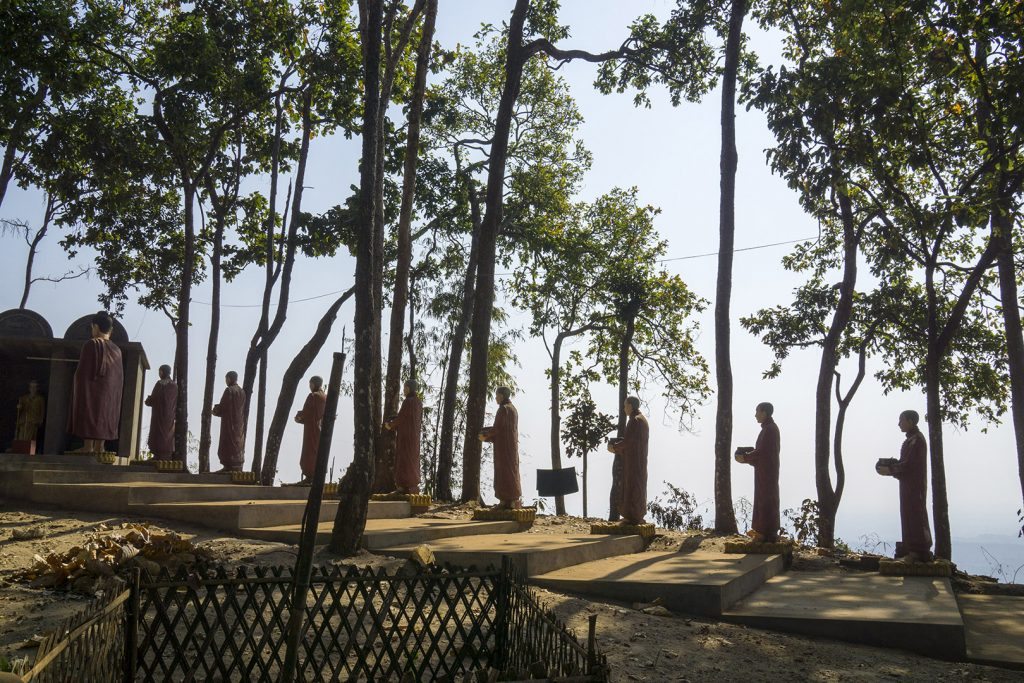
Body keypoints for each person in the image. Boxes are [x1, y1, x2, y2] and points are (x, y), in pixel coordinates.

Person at [879, 410, 934, 563]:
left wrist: (889, 470)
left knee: (915, 514)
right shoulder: (912, 440)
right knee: (909, 514)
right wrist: (893, 465)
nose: (899, 424)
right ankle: (912, 549)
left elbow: (909, 466)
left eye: (901, 420)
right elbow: (905, 463)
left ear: (910, 421)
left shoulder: (916, 440)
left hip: (913, 485)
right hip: (908, 484)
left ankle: (917, 551)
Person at [67, 311, 123, 454]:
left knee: (90, 409)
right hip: (110, 391)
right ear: (111, 330)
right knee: (105, 412)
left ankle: (88, 447)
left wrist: (78, 389)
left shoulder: (91, 344)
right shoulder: (117, 350)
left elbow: (82, 373)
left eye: (93, 328)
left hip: (91, 389)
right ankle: (100, 447)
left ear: (96, 327)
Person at [736, 402, 781, 542]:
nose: (755, 415)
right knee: (763, 498)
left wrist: (745, 457)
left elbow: (763, 453)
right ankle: (763, 530)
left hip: (767, 472)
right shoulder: (768, 429)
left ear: (765, 413)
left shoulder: (770, 430)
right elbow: (761, 452)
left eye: (757, 411)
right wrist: (748, 457)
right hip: (765, 470)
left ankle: (766, 531)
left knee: (766, 499)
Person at [610, 396, 649, 525]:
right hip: (639, 461)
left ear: (631, 406)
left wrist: (614, 448)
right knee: (638, 486)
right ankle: (637, 514)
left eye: (625, 405)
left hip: (633, 462)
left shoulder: (634, 421)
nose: (624, 408)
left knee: (631, 487)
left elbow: (628, 443)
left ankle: (632, 516)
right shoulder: (642, 420)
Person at [480, 386, 521, 509]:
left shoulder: (503, 409)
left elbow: (496, 429)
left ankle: (505, 500)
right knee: (511, 471)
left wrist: (484, 435)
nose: (495, 398)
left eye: (497, 395)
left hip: (503, 448)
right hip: (510, 446)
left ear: (502, 396)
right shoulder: (513, 409)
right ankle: (511, 499)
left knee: (502, 472)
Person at [385, 379, 423, 494]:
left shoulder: (408, 402)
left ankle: (402, 487)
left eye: (405, 388)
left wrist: (390, 425)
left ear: (408, 388)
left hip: (405, 437)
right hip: (415, 437)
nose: (403, 390)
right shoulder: (418, 402)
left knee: (403, 460)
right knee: (412, 460)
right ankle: (412, 485)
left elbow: (401, 418)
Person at [295, 375, 327, 483]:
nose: (309, 386)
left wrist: (298, 417)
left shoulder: (313, 396)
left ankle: (309, 476)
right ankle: (316, 476)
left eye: (310, 384)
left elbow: (306, 413)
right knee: (318, 452)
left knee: (308, 452)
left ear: (313, 384)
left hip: (311, 429)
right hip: (321, 431)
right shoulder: (325, 397)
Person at [212, 371, 245, 473]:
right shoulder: (242, 392)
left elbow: (223, 407)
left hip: (229, 423)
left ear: (229, 379)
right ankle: (236, 464)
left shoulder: (229, 391)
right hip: (239, 424)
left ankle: (229, 466)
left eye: (226, 379)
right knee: (237, 443)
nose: (226, 381)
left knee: (227, 443)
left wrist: (216, 410)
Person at [144, 365, 177, 460]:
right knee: (157, 433)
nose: (159, 374)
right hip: (159, 415)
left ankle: (164, 455)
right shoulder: (163, 384)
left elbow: (168, 400)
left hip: (166, 416)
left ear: (164, 372)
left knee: (165, 434)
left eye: (160, 372)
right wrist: (150, 400)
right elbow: (154, 398)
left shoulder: (168, 385)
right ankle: (157, 455)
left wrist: (152, 400)